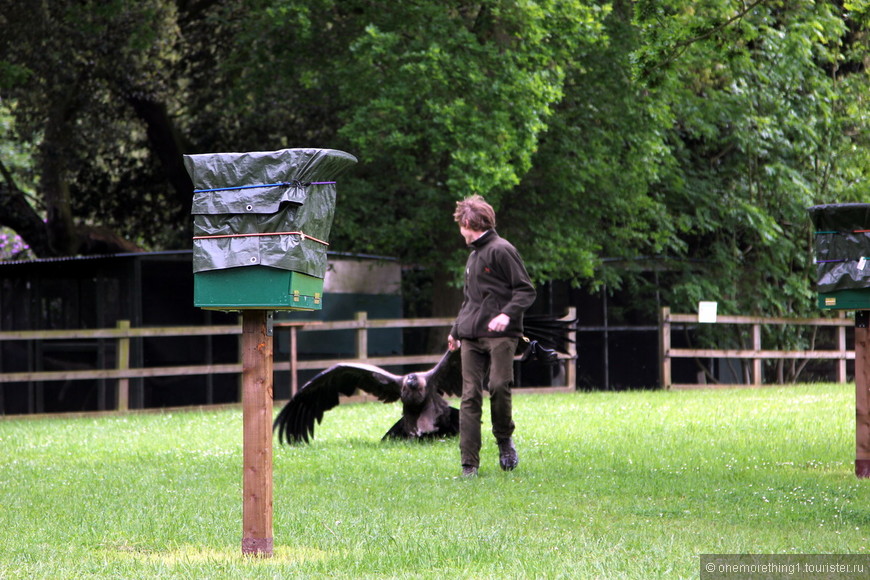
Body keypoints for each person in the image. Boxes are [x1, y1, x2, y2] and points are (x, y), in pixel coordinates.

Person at [447, 195, 536, 477]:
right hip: (471, 335)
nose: (460, 231)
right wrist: (455, 331)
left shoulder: (502, 250)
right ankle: (469, 464)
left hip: (501, 335)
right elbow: (469, 300)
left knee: (498, 386)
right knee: (469, 396)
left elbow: (525, 290)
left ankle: (504, 440)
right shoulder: (473, 256)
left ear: (469, 223)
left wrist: (506, 314)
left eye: (461, 224)